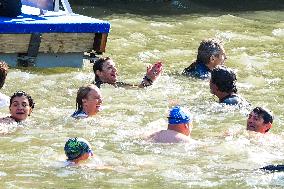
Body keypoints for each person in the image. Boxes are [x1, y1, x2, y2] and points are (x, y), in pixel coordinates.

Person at [93, 57, 163, 88]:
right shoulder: (100, 88)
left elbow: (139, 88)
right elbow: (139, 89)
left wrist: (149, 79)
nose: (114, 69)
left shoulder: (116, 84)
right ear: (99, 73)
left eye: (114, 66)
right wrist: (148, 79)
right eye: (109, 68)